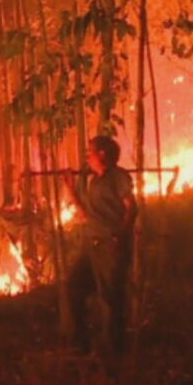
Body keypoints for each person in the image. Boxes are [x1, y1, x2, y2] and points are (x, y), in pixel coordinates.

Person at [63, 135, 136, 356]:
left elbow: (131, 207)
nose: (87, 155)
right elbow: (85, 215)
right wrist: (70, 189)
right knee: (73, 286)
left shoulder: (118, 176)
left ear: (103, 154)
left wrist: (121, 236)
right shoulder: (94, 181)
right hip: (91, 245)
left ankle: (115, 350)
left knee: (110, 297)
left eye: (90, 150)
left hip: (109, 245)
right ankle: (80, 343)